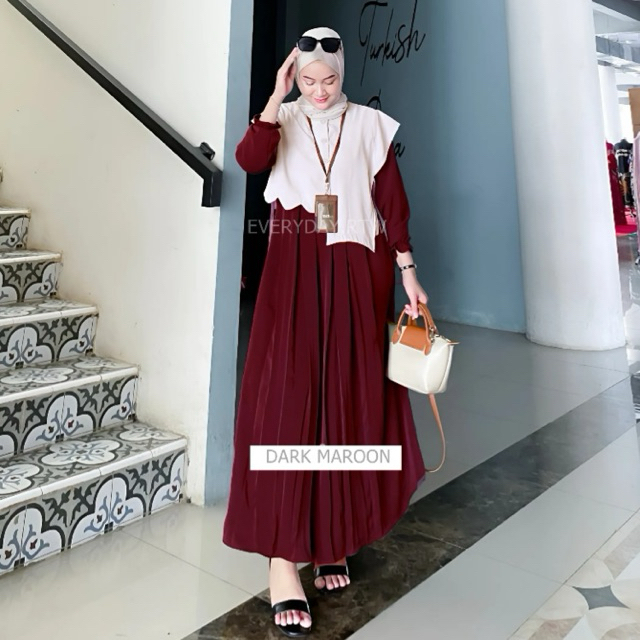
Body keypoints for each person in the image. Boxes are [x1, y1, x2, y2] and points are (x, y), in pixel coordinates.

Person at [222, 26, 428, 637]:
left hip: (359, 269)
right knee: (288, 401)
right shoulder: (281, 119)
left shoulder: (369, 124)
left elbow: (392, 200)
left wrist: (408, 272)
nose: (318, 90)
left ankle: (332, 536)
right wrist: (276, 93)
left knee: (347, 398)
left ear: (344, 72)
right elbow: (248, 160)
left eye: (328, 79)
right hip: (294, 270)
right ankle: (282, 559)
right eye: (308, 80)